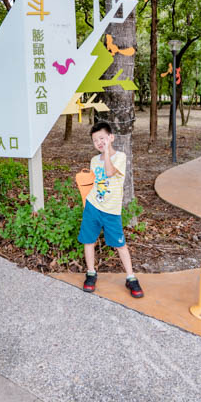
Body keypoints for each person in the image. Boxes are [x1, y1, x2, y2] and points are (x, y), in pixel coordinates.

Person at [79, 121, 144, 298]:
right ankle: (91, 273)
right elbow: (94, 182)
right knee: (89, 241)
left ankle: (131, 277)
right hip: (93, 206)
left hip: (111, 211)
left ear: (111, 138)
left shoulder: (120, 157)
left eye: (102, 138)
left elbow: (108, 172)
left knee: (120, 245)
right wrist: (87, 203)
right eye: (95, 141)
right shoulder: (94, 160)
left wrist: (107, 152)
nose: (99, 143)